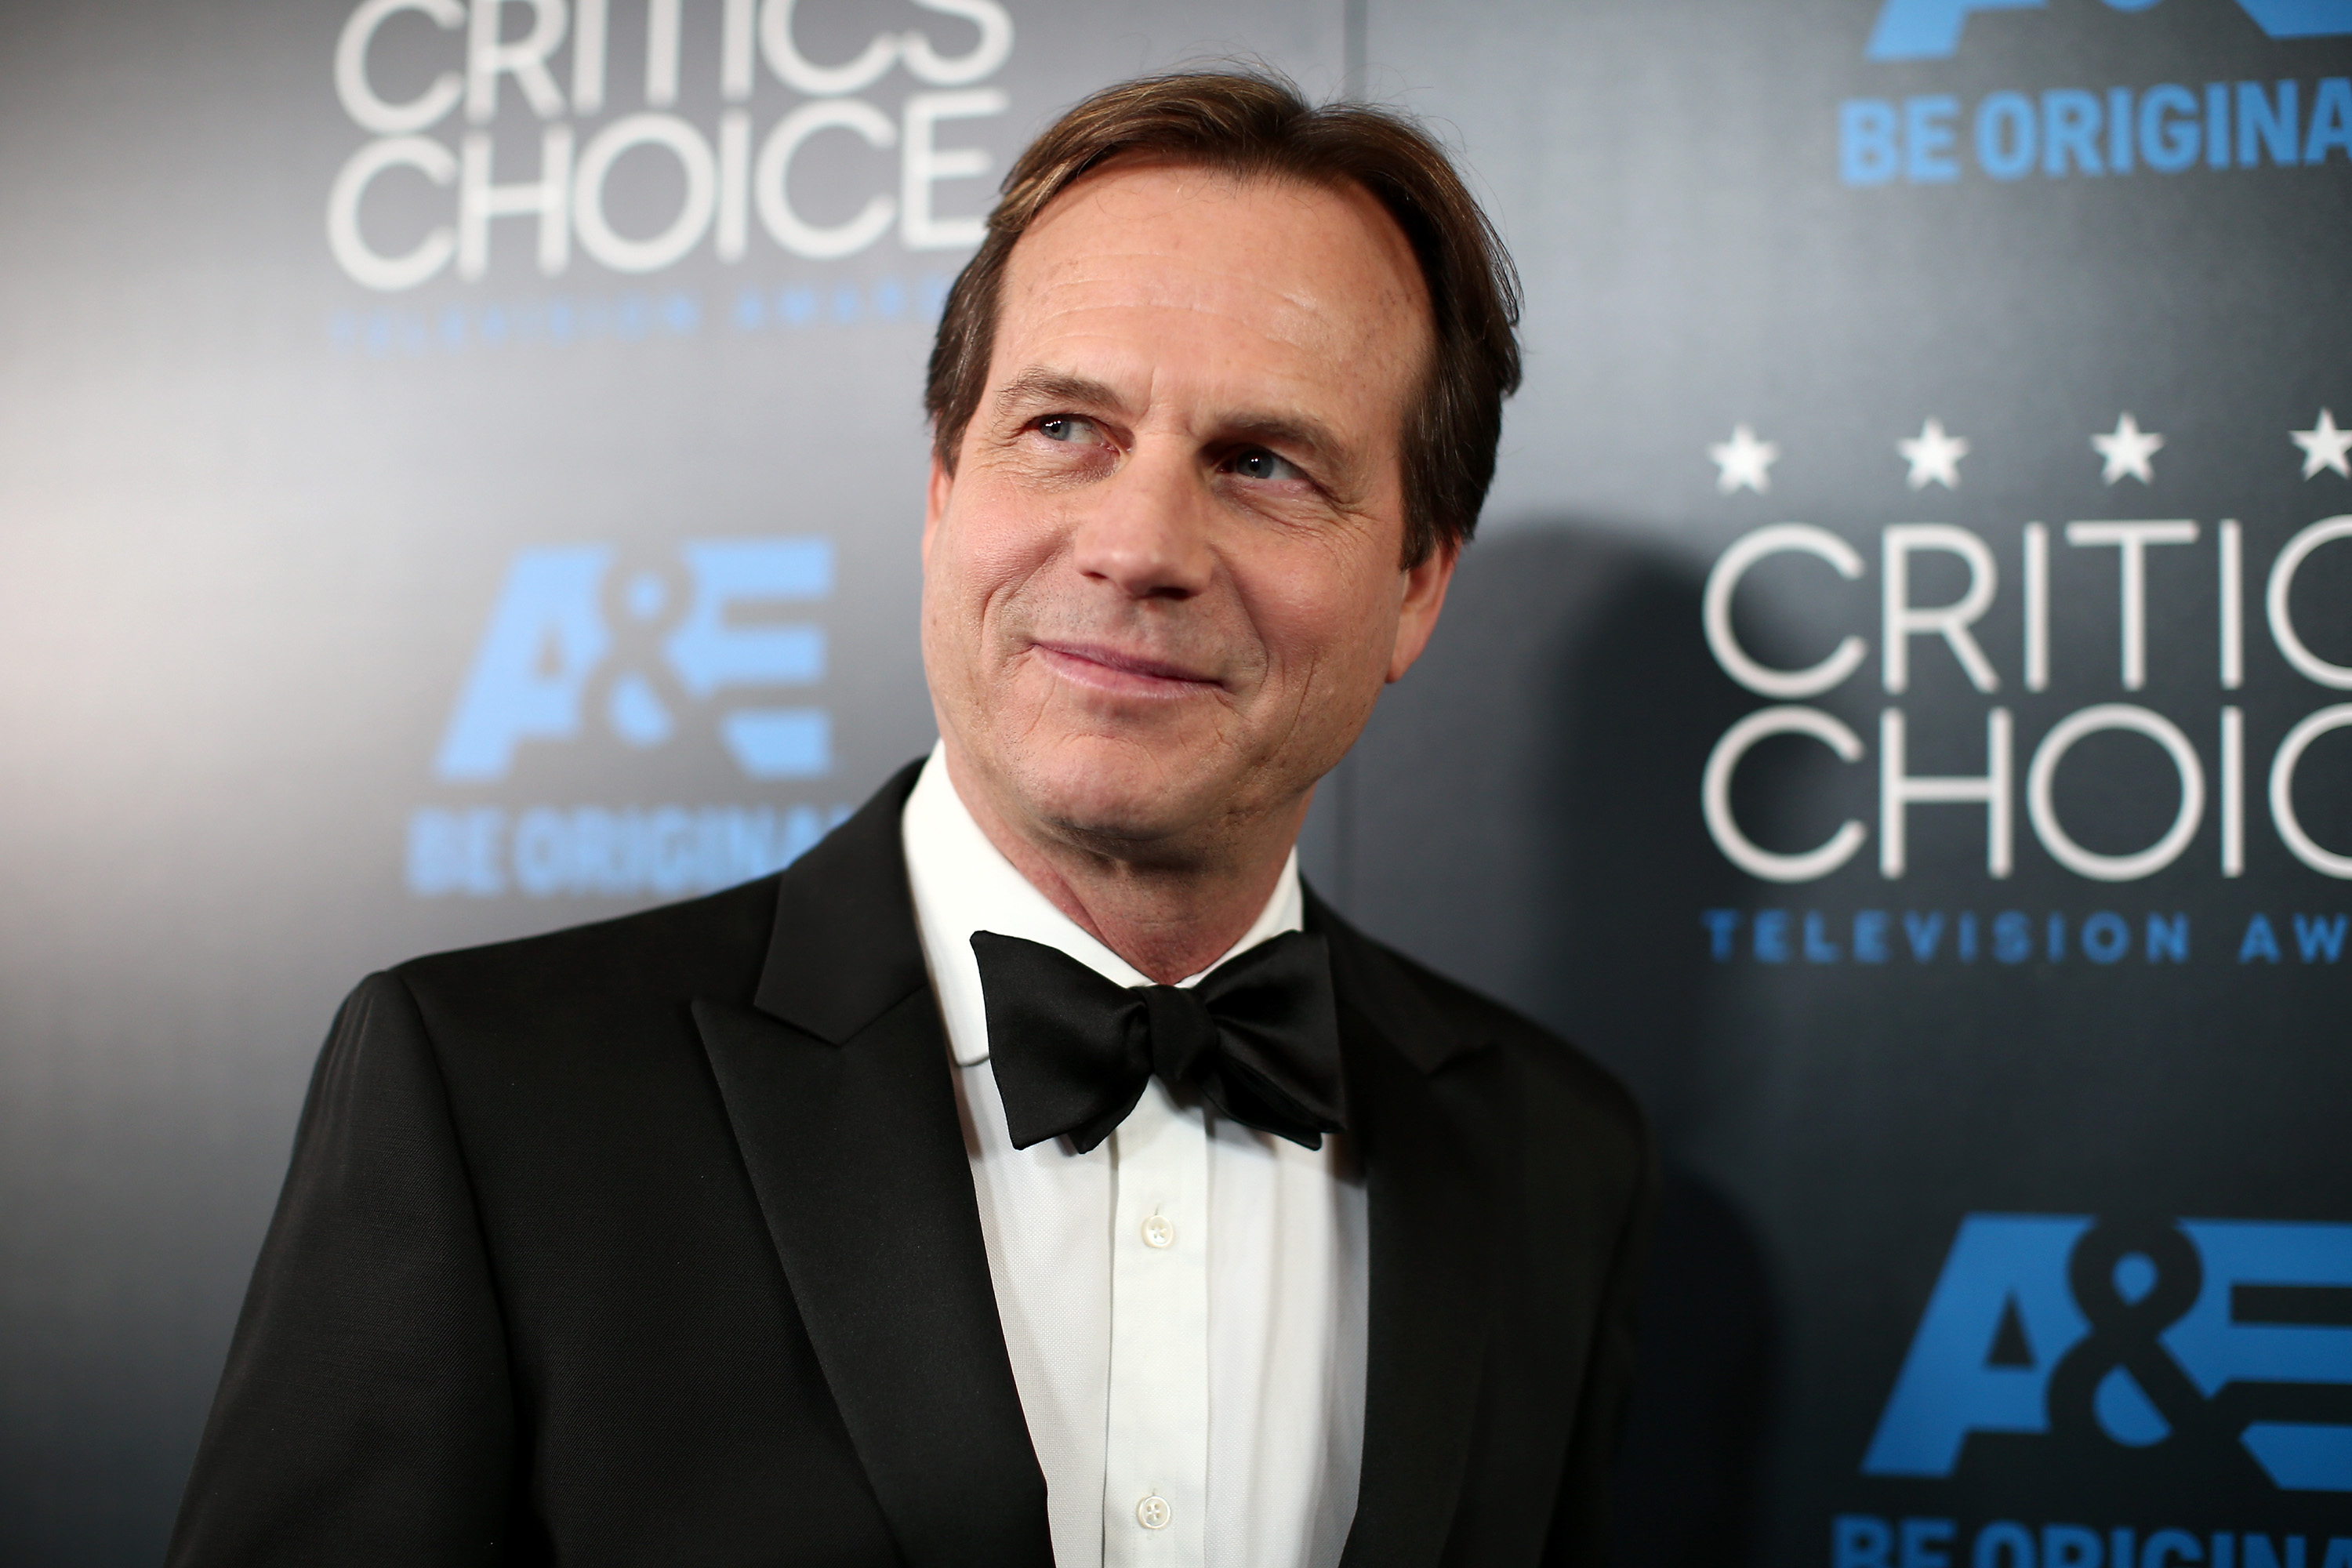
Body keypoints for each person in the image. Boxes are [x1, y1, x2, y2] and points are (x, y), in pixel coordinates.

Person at [169, 69, 1651, 1568]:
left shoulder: (1555, 1157)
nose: (1139, 546)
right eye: (1065, 427)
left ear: (1416, 584)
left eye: (1263, 464)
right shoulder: (487, 1096)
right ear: (944, 488)